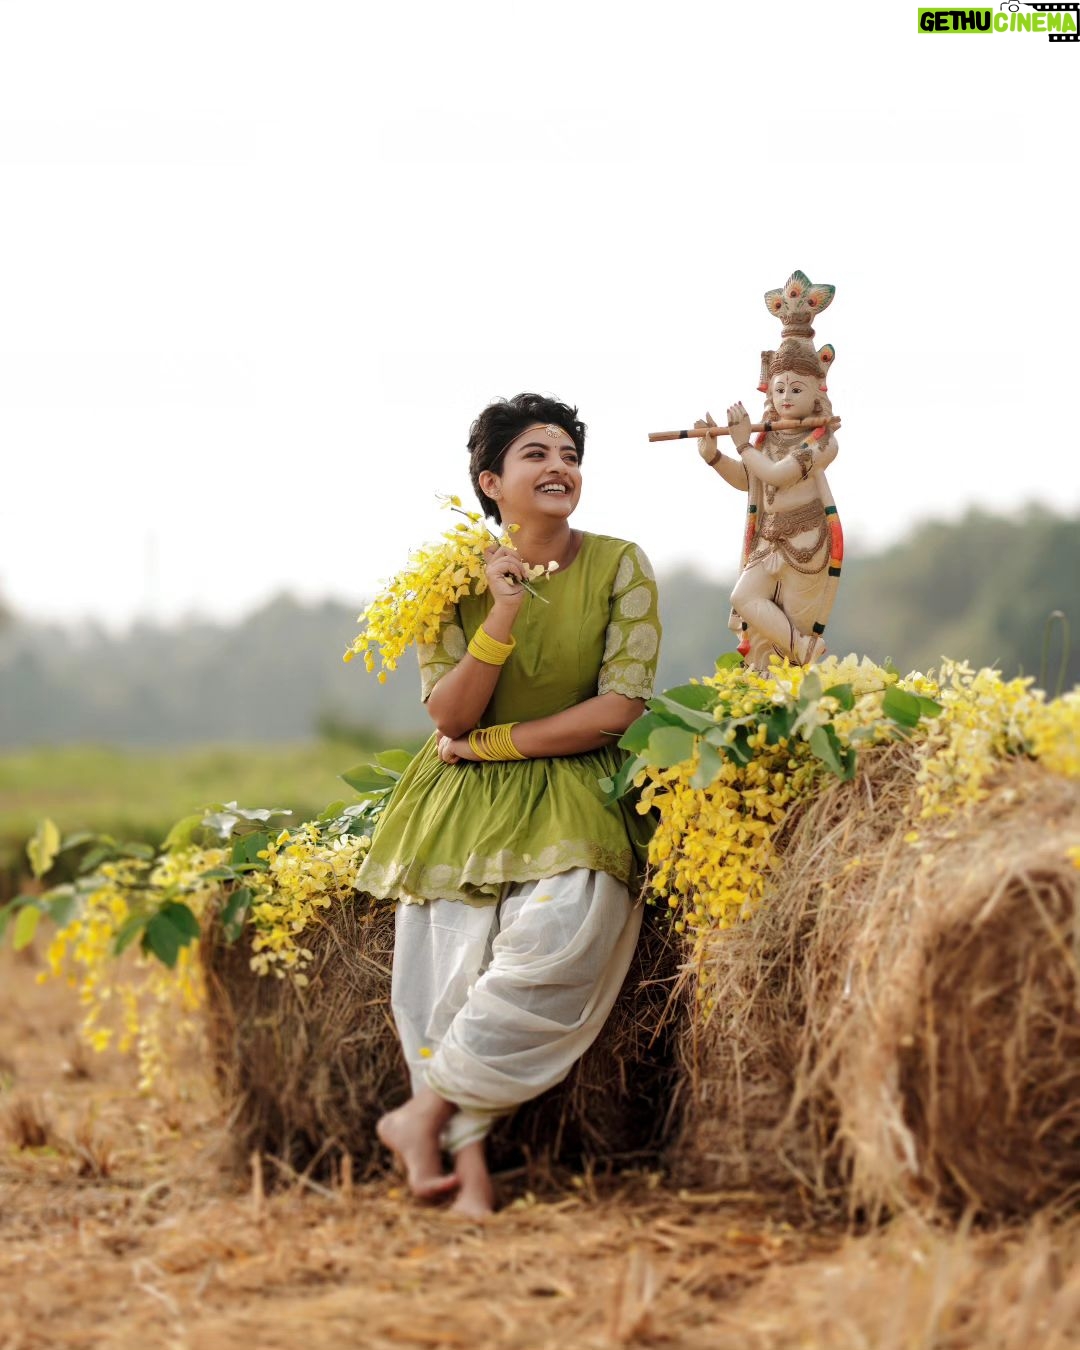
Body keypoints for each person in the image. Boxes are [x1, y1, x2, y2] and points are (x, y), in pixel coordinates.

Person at [355, 392, 661, 1217]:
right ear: (490, 482)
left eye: (570, 455)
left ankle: (421, 1115)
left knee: (558, 940)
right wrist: (505, 607)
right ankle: (467, 1163)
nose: (560, 467)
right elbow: (450, 717)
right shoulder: (447, 576)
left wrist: (496, 745)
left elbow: (619, 710)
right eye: (537, 454)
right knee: (448, 968)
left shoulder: (621, 564)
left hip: (574, 782)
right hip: (460, 798)